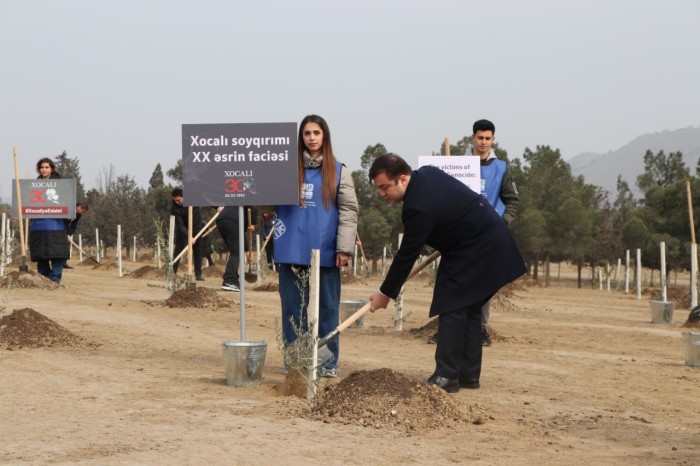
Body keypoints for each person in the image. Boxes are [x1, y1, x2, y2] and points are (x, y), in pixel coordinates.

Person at [367, 154, 525, 393]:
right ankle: (467, 374)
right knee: (469, 307)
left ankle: (446, 376)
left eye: (384, 187)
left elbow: (406, 255)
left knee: (451, 304)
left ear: (402, 179)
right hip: (487, 241)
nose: (382, 193)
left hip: (477, 247)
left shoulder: (417, 207)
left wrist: (385, 293)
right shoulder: (427, 173)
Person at [274, 114, 359, 378]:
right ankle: (296, 361)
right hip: (290, 250)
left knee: (328, 308)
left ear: (325, 136)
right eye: (307, 133)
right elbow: (267, 206)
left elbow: (349, 210)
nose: (312, 138)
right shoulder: (285, 169)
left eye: (316, 133)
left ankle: (326, 362)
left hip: (326, 251)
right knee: (292, 309)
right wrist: (259, 188)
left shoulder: (340, 170)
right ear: (300, 137)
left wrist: (344, 248)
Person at [29, 158, 70, 283]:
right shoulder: (33, 186)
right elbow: (27, 202)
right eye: (42, 167)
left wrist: (69, 213)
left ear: (52, 168)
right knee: (41, 254)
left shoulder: (61, 185)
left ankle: (55, 278)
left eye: (46, 167)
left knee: (57, 253)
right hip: (38, 225)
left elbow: (67, 203)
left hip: (56, 224)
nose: (44, 170)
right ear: (38, 169)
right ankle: (44, 278)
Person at [216, 205, 257, 292]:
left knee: (235, 250)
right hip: (233, 220)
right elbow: (253, 207)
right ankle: (229, 281)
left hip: (221, 220)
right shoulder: (252, 195)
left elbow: (240, 237)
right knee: (236, 252)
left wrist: (246, 250)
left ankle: (234, 282)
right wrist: (253, 223)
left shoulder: (238, 198)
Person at [170, 188, 203, 280]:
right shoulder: (174, 209)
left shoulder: (194, 199)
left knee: (198, 251)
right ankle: (173, 272)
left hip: (196, 228)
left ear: (183, 197)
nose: (177, 202)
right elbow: (180, 226)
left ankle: (198, 274)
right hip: (183, 230)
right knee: (178, 251)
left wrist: (217, 207)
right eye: (175, 200)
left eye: (178, 200)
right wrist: (189, 236)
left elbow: (207, 199)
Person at [64, 202, 89, 269]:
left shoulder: (78, 214)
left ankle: (63, 262)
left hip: (66, 228)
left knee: (66, 244)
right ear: (79, 207)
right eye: (82, 211)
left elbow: (73, 225)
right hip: (58, 226)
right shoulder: (68, 208)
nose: (82, 213)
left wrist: (69, 234)